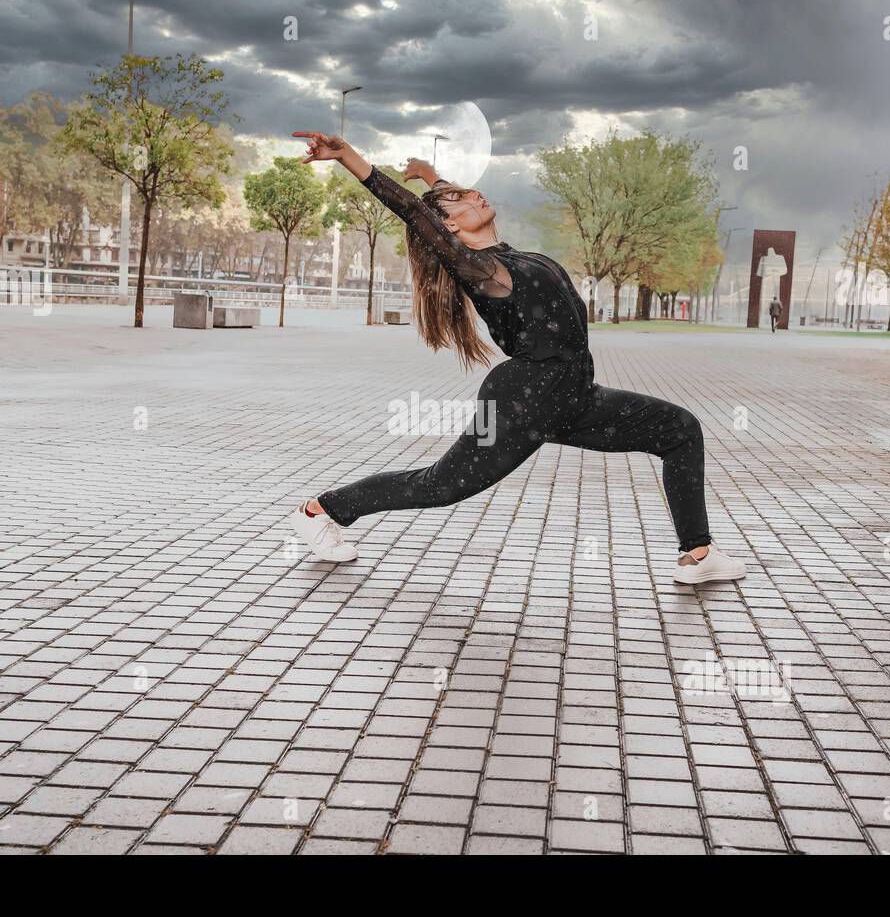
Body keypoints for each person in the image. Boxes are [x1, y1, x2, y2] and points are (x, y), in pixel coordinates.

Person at [286, 130, 747, 586]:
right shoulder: (478, 269)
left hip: (575, 396)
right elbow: (413, 213)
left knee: (678, 428)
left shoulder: (509, 256)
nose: (475, 197)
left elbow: (436, 205)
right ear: (448, 228)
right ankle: (319, 511)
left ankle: (698, 554)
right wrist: (349, 157)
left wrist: (431, 177)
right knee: (441, 486)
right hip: (524, 401)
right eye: (460, 202)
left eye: (470, 192)